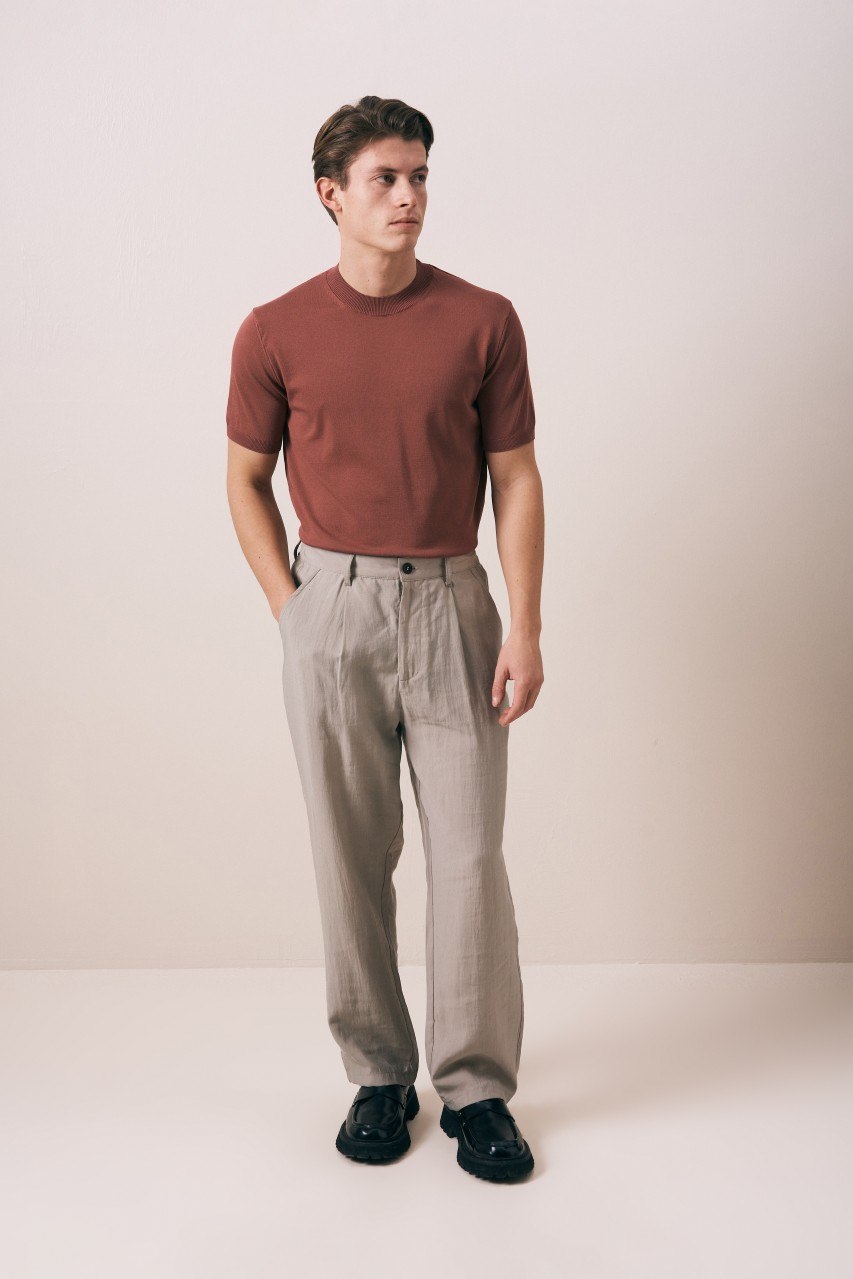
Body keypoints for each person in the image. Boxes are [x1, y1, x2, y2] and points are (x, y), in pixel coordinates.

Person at [225, 95, 544, 1182]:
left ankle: (477, 1088)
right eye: (384, 179)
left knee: (469, 857)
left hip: (454, 603)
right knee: (349, 854)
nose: (408, 196)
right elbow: (243, 479)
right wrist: (294, 607)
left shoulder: (483, 320)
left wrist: (524, 623)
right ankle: (377, 1073)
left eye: (418, 176)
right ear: (332, 194)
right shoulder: (274, 329)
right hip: (334, 607)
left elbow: (516, 478)